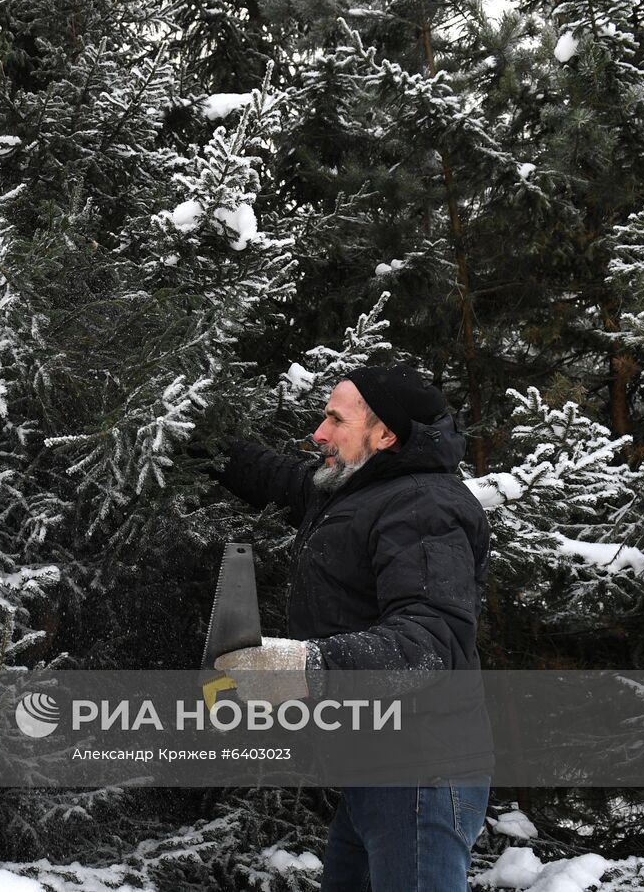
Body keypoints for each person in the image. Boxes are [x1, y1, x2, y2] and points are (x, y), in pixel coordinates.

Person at [206, 364, 492, 892]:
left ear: (386, 435)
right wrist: (194, 431)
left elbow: (434, 641)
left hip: (422, 772)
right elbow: (276, 477)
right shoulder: (354, 487)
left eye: (335, 419)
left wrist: (307, 665)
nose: (318, 433)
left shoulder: (423, 506)